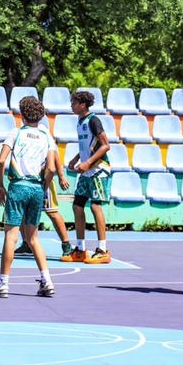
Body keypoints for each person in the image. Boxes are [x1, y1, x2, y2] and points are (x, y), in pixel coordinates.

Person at [0, 97, 56, 298]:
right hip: (37, 187)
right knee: (33, 237)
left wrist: (0, 185)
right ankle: (47, 280)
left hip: (18, 185)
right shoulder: (46, 136)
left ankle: (3, 283)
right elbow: (51, 167)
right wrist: (43, 186)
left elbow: (1, 160)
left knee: (11, 235)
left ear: (21, 114)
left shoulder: (15, 133)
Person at [15, 116, 74, 258]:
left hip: (43, 178)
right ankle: (26, 243)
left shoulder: (42, 132)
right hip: (29, 178)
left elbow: (54, 154)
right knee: (23, 211)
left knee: (52, 211)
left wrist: (61, 175)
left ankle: (66, 244)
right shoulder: (24, 132)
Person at [66, 90, 112, 264]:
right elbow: (87, 145)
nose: (72, 105)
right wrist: (77, 158)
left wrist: (88, 162)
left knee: (95, 206)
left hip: (99, 169)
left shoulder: (94, 120)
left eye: (74, 102)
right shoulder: (80, 121)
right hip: (86, 170)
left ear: (82, 104)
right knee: (78, 206)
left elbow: (105, 145)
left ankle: (102, 250)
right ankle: (80, 249)